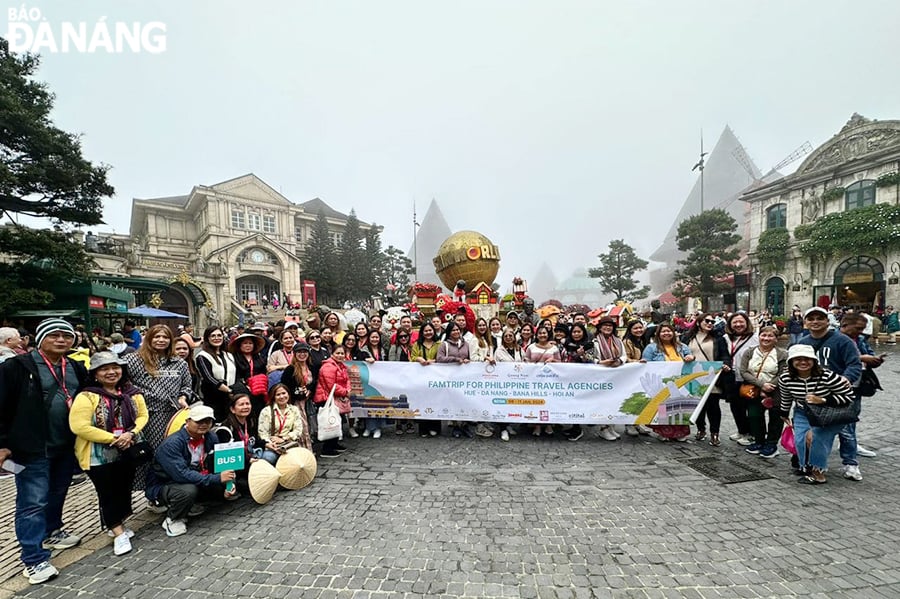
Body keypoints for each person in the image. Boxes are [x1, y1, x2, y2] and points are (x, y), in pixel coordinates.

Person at [0, 319, 88, 584]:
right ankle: (34, 559)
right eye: (54, 335)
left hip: (65, 444)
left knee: (57, 492)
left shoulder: (75, 367)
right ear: (40, 338)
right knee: (32, 502)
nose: (61, 340)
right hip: (32, 446)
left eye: (66, 336)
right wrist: (2, 443)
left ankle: (52, 530)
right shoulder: (16, 366)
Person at [69, 352, 149, 556]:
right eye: (104, 369)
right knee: (107, 492)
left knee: (124, 488)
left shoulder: (132, 392)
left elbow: (142, 415)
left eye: (115, 367)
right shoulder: (87, 396)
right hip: (98, 455)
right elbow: (79, 426)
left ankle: (119, 522)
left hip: (127, 449)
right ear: (95, 373)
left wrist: (130, 433)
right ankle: (117, 531)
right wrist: (113, 439)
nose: (111, 372)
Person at [146, 404, 236, 536]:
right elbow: (181, 474)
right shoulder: (172, 444)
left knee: (224, 485)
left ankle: (193, 504)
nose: (204, 424)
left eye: (208, 421)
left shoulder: (211, 437)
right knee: (187, 491)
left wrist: (228, 484)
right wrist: (217, 478)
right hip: (166, 483)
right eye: (199, 421)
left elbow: (218, 464)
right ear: (188, 422)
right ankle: (173, 518)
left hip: (195, 476)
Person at [796, 307, 865, 477]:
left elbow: (854, 364)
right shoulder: (802, 342)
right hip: (812, 395)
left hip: (837, 394)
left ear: (828, 321)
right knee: (809, 433)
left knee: (846, 431)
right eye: (811, 318)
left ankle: (850, 463)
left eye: (820, 318)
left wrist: (846, 378)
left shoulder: (843, 341)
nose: (815, 322)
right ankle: (811, 465)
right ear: (806, 322)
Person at [778, 345, 854, 485]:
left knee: (814, 438)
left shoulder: (826, 376)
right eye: (798, 359)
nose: (803, 362)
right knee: (800, 440)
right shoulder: (785, 378)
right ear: (791, 362)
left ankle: (818, 473)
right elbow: (786, 397)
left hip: (828, 412)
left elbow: (849, 396)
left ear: (814, 361)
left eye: (807, 359)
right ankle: (806, 467)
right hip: (802, 412)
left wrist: (824, 400)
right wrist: (784, 412)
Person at [124, 324, 193, 450]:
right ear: (149, 338)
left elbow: (187, 386)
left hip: (172, 414)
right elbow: (122, 382)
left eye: (165, 337)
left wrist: (183, 397)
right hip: (145, 414)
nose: (161, 340)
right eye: (157, 336)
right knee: (148, 451)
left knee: (171, 449)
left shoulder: (179, 363)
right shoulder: (133, 359)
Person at [682, 314, 731, 446]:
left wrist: (726, 364)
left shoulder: (718, 338)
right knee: (698, 406)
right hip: (694, 377)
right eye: (707, 321)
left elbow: (725, 355)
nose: (710, 323)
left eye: (712, 321)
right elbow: (681, 352)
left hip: (712, 377)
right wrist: (686, 357)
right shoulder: (688, 337)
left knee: (713, 406)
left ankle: (715, 433)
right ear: (698, 322)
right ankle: (701, 429)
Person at [739, 326, 787, 458]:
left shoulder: (782, 354)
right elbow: (743, 371)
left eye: (770, 336)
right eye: (763, 335)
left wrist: (770, 386)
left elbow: (783, 373)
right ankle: (759, 440)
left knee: (775, 417)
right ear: (759, 336)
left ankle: (771, 444)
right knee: (754, 415)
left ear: (776, 339)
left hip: (776, 390)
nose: (766, 338)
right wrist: (761, 385)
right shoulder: (749, 352)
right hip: (753, 388)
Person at [642, 323, 694, 442]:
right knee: (663, 408)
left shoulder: (682, 346)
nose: (666, 333)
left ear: (674, 333)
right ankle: (663, 432)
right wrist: (644, 362)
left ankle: (680, 433)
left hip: (679, 384)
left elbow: (690, 356)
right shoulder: (651, 348)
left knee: (679, 407)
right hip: (661, 384)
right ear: (658, 334)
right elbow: (646, 364)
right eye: (663, 331)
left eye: (669, 331)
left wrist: (691, 357)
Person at [722, 313, 758, 446]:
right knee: (735, 406)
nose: (738, 325)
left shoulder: (755, 338)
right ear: (730, 324)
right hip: (731, 377)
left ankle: (752, 434)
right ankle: (742, 430)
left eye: (741, 322)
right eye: (735, 322)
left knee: (750, 407)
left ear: (747, 323)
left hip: (748, 377)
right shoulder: (726, 338)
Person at [436, 322, 472, 439]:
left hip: (464, 378)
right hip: (450, 378)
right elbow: (439, 359)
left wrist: (467, 360)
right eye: (453, 330)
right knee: (454, 402)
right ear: (449, 332)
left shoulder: (466, 344)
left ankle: (465, 425)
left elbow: (469, 357)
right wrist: (455, 359)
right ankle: (456, 426)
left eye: (457, 330)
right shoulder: (444, 345)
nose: (456, 332)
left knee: (465, 401)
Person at [314, 345, 351, 458]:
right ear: (332, 354)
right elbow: (332, 386)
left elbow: (347, 380)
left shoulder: (341, 366)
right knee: (330, 421)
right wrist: (345, 392)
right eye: (337, 353)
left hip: (336, 397)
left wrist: (348, 389)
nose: (340, 355)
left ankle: (334, 444)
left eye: (342, 353)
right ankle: (327, 449)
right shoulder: (328, 366)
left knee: (336, 421)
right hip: (326, 398)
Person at [194, 327, 236, 423]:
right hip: (213, 398)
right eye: (213, 336)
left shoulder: (228, 355)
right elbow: (208, 378)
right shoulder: (202, 356)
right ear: (207, 338)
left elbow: (234, 374)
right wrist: (228, 390)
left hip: (230, 398)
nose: (216, 338)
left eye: (219, 335)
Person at [524, 326, 560, 437]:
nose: (542, 335)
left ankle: (548, 424)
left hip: (549, 380)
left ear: (548, 334)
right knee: (536, 403)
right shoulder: (531, 347)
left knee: (549, 403)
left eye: (544, 333)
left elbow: (560, 362)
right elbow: (526, 360)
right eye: (540, 333)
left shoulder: (554, 348)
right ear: (536, 335)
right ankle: (537, 425)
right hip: (534, 380)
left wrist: (553, 360)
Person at [258, 383, 310, 459]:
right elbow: (262, 433)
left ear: (288, 394)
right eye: (278, 394)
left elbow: (298, 430)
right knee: (268, 457)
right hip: (272, 445)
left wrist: (284, 438)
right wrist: (271, 444)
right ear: (273, 397)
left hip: (289, 443)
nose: (282, 396)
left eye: (284, 393)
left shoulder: (294, 410)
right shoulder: (266, 411)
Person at [411, 322, 441, 438]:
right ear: (422, 333)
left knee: (435, 402)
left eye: (430, 330)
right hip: (420, 379)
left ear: (434, 331)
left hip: (435, 379)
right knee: (422, 402)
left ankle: (434, 427)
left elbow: (442, 358)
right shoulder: (417, 345)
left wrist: (433, 361)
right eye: (426, 331)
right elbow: (412, 358)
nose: (428, 333)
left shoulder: (439, 344)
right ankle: (423, 428)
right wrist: (418, 358)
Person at [229, 333, 268, 419]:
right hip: (242, 391)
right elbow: (234, 375)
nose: (248, 345)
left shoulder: (258, 358)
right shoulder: (234, 358)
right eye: (245, 343)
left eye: (250, 343)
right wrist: (245, 386)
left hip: (258, 391)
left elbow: (263, 373)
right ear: (240, 345)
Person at [388, 329, 416, 435]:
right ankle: (398, 422)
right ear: (398, 338)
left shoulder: (412, 347)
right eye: (401, 337)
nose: (403, 338)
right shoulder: (394, 348)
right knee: (398, 401)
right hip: (398, 378)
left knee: (410, 400)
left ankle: (410, 422)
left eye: (405, 336)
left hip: (411, 378)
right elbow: (391, 364)